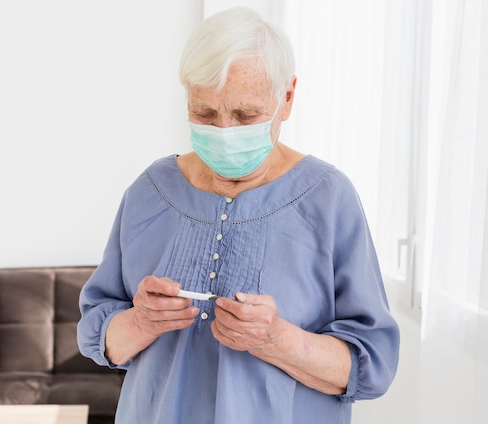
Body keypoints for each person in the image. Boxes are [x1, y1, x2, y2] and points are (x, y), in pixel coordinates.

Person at [77, 6, 400, 423]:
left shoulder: (329, 199)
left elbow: (371, 367)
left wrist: (277, 339)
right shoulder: (150, 191)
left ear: (287, 97)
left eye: (245, 115)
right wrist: (141, 322)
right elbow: (98, 340)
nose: (225, 133)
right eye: (205, 114)